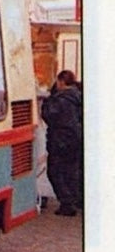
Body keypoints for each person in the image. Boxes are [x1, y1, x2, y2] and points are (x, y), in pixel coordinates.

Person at [41, 70, 83, 216]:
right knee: (72, 171)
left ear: (61, 82)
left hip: (60, 139)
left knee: (55, 171)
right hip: (76, 138)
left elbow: (48, 115)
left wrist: (46, 101)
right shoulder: (78, 97)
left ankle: (67, 203)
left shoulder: (60, 99)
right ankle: (75, 199)